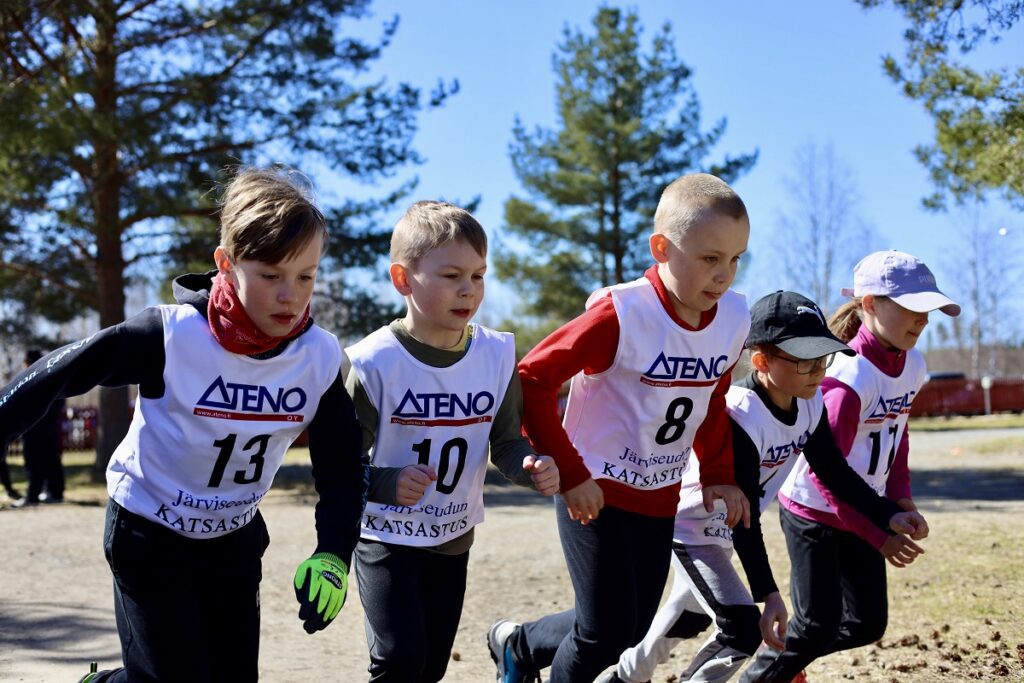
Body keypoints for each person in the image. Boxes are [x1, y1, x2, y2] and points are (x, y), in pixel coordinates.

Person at [0, 166, 367, 682]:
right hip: (147, 532)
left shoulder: (319, 357)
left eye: (305, 276)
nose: (291, 295)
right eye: (270, 275)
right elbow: (58, 372)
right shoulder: (171, 336)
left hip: (232, 542)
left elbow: (343, 467)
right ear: (226, 264)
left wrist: (333, 552)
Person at [489, 173, 753, 683]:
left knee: (627, 628)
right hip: (596, 490)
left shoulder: (731, 320)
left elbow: (711, 397)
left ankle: (520, 645)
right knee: (602, 635)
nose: (724, 275)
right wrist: (570, 472)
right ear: (662, 248)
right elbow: (533, 378)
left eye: (735, 259)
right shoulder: (622, 314)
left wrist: (720, 471)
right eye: (709, 258)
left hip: (660, 493)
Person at [599, 291, 929, 683]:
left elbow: (835, 474)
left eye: (823, 358)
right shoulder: (742, 415)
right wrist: (768, 592)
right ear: (761, 361)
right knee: (740, 628)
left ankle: (623, 678)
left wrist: (889, 515)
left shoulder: (809, 402)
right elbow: (746, 519)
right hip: (693, 532)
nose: (818, 371)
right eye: (804, 360)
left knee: (686, 616)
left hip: (724, 531)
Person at [345, 201, 560, 683]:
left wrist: (530, 465)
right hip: (386, 538)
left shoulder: (496, 353)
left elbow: (506, 443)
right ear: (403, 279)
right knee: (400, 662)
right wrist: (386, 482)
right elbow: (339, 470)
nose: (469, 289)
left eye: (479, 276)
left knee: (430, 667)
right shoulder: (372, 362)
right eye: (451, 275)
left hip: (453, 538)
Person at [741, 251, 957, 682]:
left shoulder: (913, 363)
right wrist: (879, 535)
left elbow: (899, 435)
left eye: (928, 310)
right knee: (816, 625)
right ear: (871, 304)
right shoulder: (847, 377)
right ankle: (767, 671)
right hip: (815, 513)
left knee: (865, 625)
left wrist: (900, 499)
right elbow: (827, 475)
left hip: (864, 507)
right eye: (913, 309)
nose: (924, 320)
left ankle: (791, 653)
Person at [12, 349, 66, 506]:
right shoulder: (52, 375)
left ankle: (34, 495)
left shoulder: (32, 378)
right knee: (51, 460)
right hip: (48, 428)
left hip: (35, 428)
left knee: (35, 461)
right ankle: (54, 492)